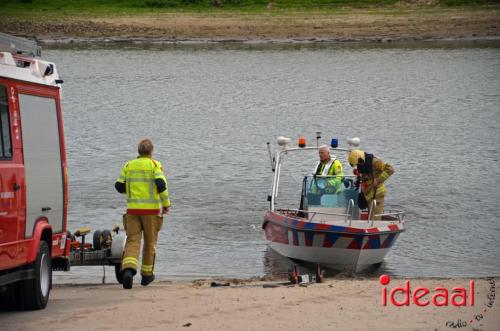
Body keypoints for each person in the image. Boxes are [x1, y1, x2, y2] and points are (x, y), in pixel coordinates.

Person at [115, 138, 171, 289]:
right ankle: (146, 275)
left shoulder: (128, 165)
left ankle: (128, 270)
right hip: (151, 212)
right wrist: (166, 205)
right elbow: (161, 186)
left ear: (138, 151)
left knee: (133, 240)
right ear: (151, 152)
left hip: (132, 211)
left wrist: (132, 190)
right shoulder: (155, 165)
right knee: (150, 242)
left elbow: (119, 186)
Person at [348, 149, 394, 220]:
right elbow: (364, 175)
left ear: (361, 159)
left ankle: (377, 229)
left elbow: (390, 169)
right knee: (370, 218)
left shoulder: (375, 162)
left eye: (357, 164)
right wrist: (357, 180)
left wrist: (378, 180)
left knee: (374, 219)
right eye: (356, 164)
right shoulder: (361, 164)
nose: (357, 165)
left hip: (377, 194)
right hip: (369, 194)